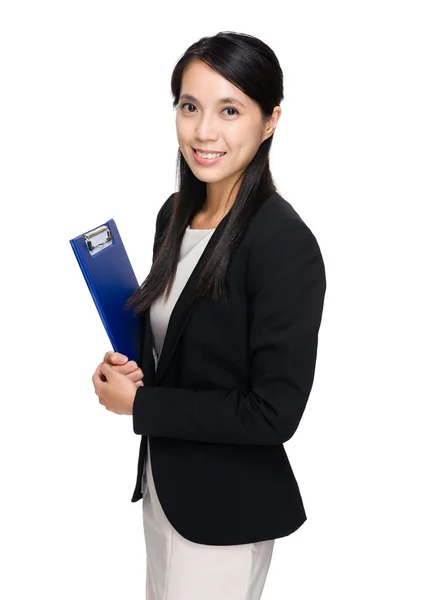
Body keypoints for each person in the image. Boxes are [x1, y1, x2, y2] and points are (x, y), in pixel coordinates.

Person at [92, 31, 327, 600]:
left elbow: (274, 413)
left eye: (230, 110)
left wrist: (142, 406)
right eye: (189, 106)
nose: (203, 131)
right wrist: (130, 372)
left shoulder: (282, 244)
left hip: (224, 515)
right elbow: (184, 351)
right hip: (164, 489)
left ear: (269, 121)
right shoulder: (175, 214)